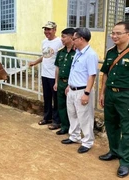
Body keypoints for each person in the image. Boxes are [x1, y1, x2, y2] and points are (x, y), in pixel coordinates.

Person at [61, 27, 98, 154]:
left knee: (85, 117)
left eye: (74, 38)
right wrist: (69, 86)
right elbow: (74, 70)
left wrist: (86, 93)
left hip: (82, 91)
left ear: (81, 39)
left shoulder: (90, 54)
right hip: (72, 89)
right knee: (72, 114)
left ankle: (87, 142)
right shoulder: (78, 52)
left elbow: (91, 75)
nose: (73, 41)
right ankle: (74, 136)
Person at [99, 21, 129, 178]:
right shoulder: (111, 52)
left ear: (127, 34)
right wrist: (102, 93)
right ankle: (114, 151)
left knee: (127, 128)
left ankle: (125, 162)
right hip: (110, 94)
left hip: (126, 95)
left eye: (118, 33)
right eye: (113, 33)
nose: (114, 36)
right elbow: (105, 73)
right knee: (111, 124)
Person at [29, 21, 63, 130]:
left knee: (56, 99)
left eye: (49, 29)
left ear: (54, 30)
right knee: (47, 97)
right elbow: (45, 56)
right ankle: (47, 117)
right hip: (45, 74)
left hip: (55, 76)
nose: (46, 32)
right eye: (45, 29)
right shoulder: (44, 42)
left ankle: (57, 121)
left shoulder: (60, 42)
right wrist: (36, 62)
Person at [53, 28, 75, 135]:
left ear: (71, 37)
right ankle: (64, 126)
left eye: (64, 36)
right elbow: (57, 68)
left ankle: (73, 128)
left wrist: (70, 84)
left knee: (72, 108)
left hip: (71, 84)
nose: (61, 39)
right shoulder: (60, 52)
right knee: (61, 105)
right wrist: (56, 82)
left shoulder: (77, 52)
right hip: (61, 83)